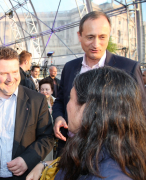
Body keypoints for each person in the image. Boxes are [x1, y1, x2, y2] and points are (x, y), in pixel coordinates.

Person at [52, 11, 146, 157]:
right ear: (80, 36)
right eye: (90, 37)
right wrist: (58, 117)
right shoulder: (70, 67)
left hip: (112, 155)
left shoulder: (128, 68)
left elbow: (141, 112)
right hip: (70, 152)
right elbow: (60, 100)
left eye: (102, 37)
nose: (96, 44)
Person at [27, 67, 146, 180]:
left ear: (86, 109)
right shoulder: (101, 150)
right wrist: (43, 165)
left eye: (71, 98)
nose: (67, 105)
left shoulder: (107, 173)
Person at [0, 47, 54, 180]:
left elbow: (47, 137)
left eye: (14, 72)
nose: (10, 79)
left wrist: (27, 160)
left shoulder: (37, 100)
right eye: (4, 73)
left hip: (24, 176)